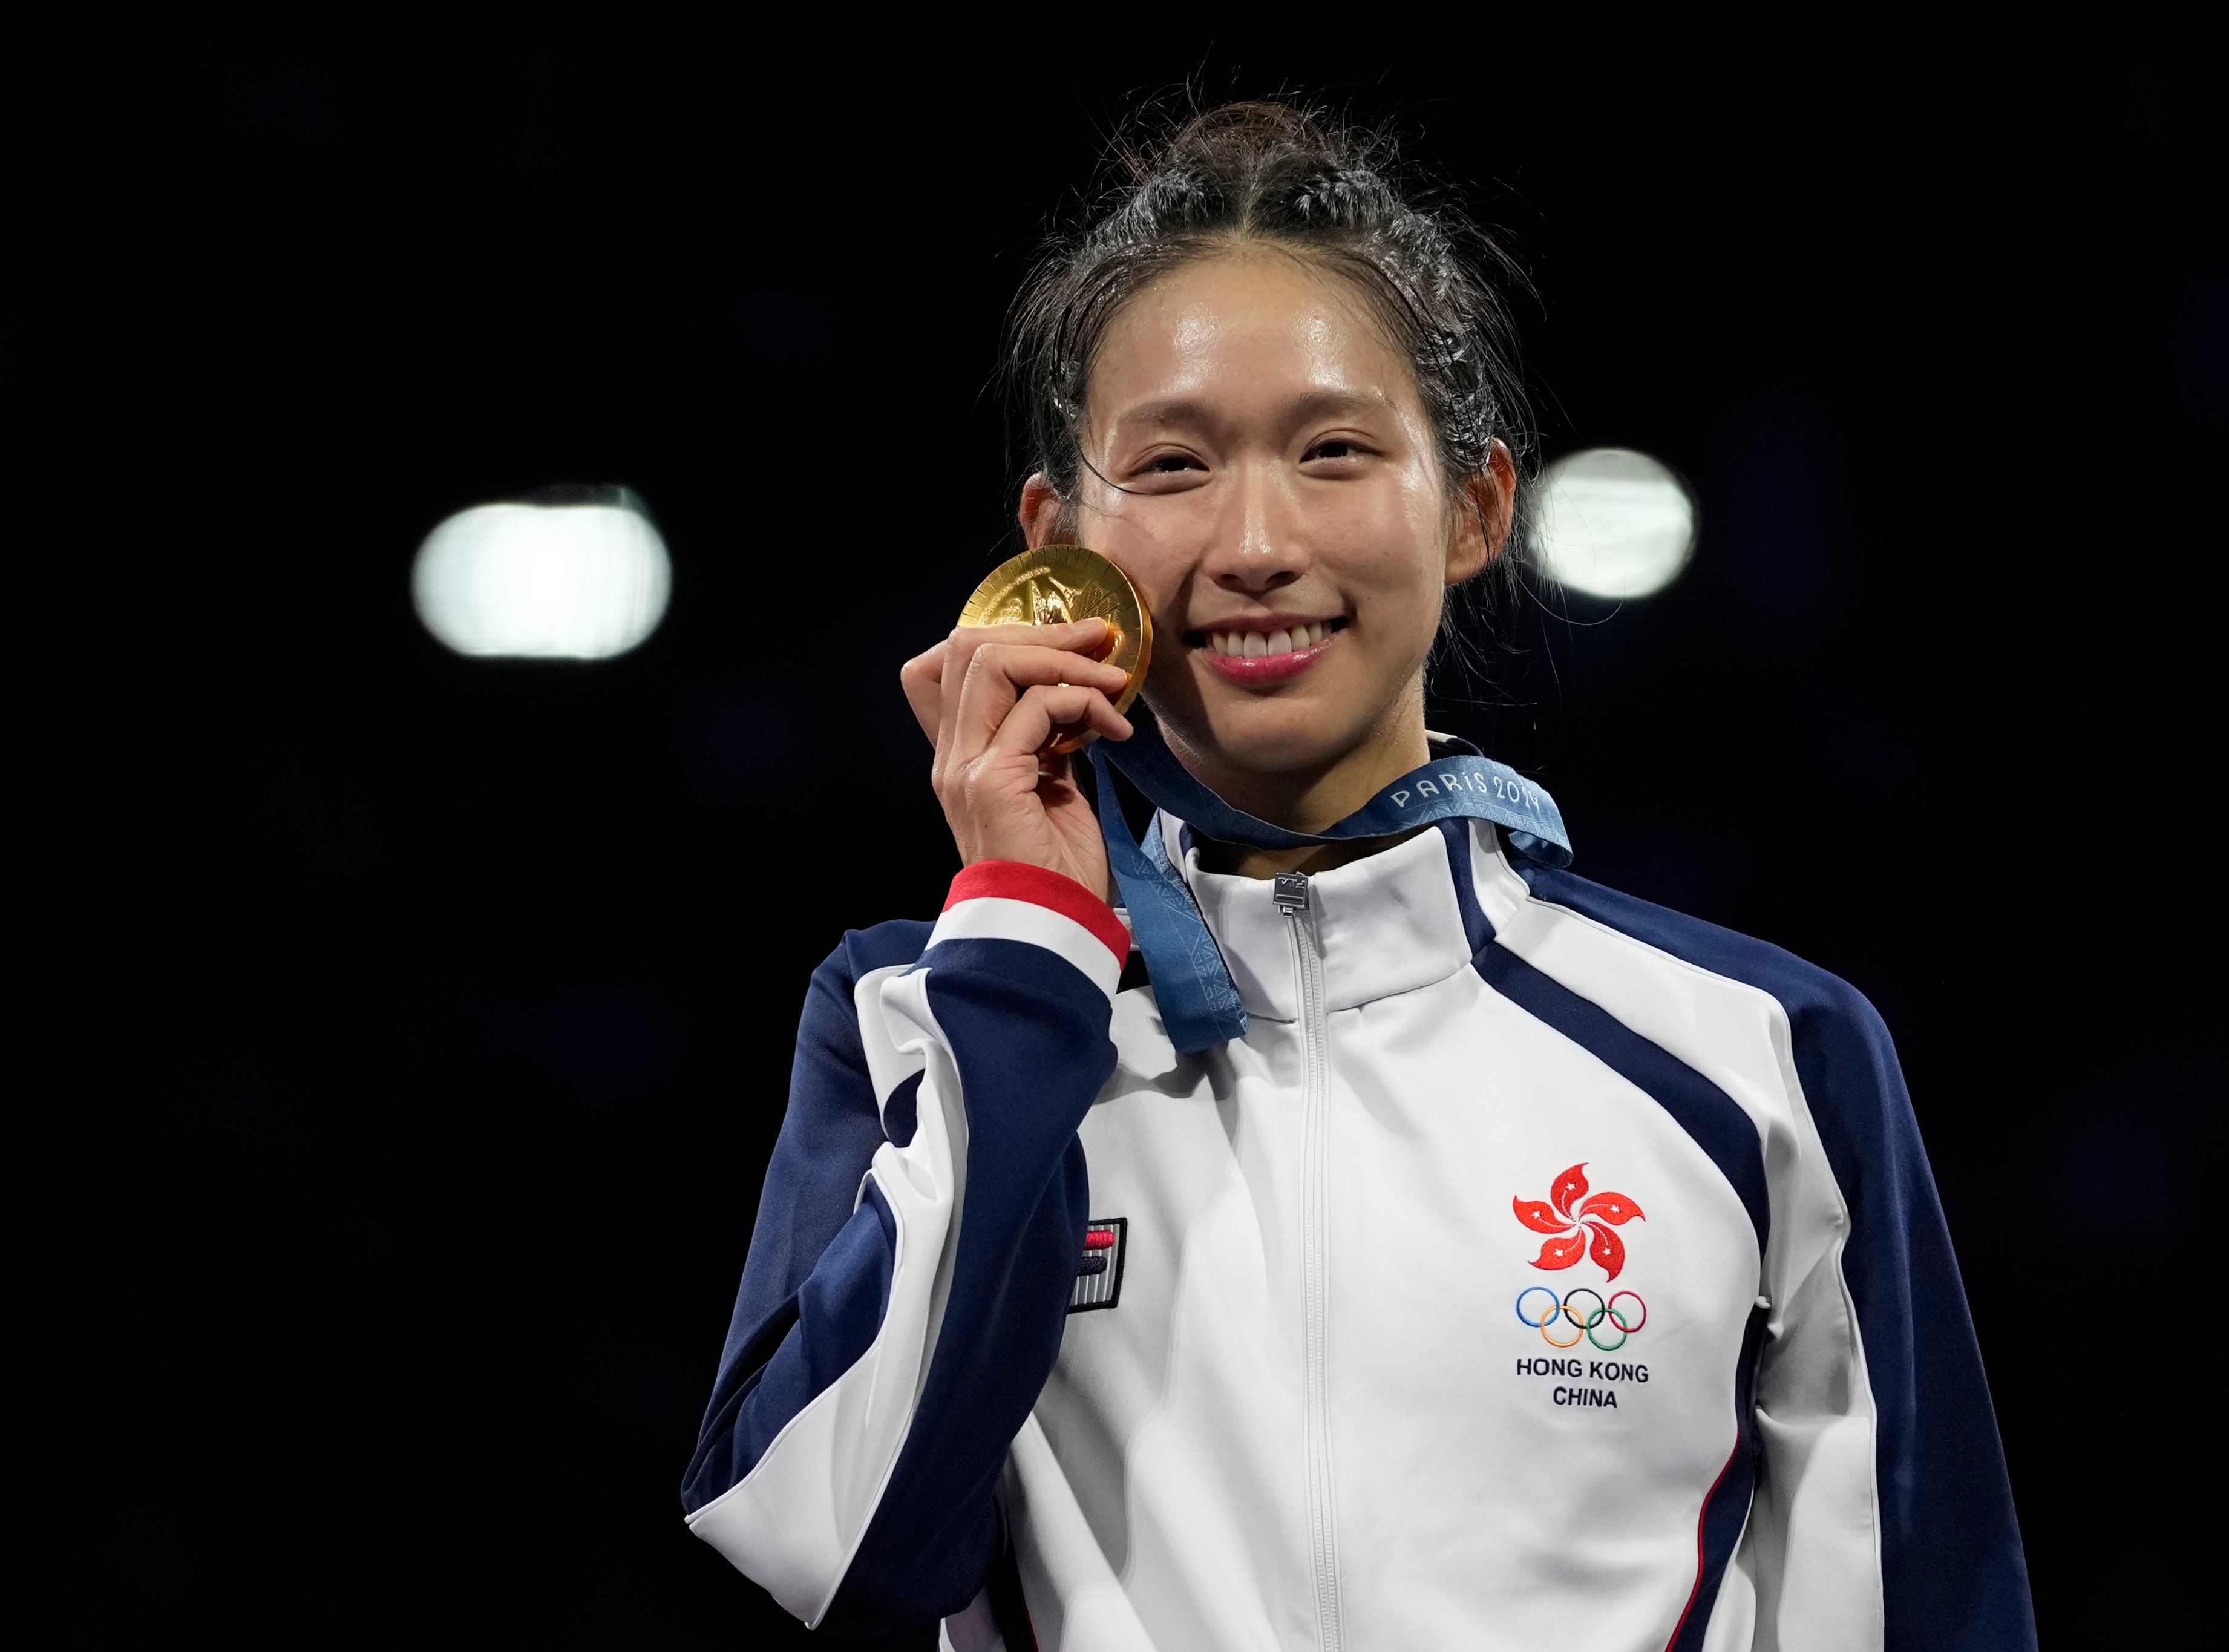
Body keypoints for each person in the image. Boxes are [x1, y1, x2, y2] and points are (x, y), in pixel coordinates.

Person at [681, 101, 2034, 1652]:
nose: (1255, 540)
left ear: (1470, 506)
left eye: (1333, 452)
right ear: (1060, 545)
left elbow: (1921, 1611)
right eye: (1173, 465)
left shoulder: (1761, 1058)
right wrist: (1030, 948)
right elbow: (834, 1547)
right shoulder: (920, 1015)